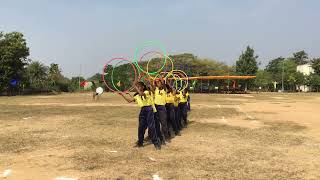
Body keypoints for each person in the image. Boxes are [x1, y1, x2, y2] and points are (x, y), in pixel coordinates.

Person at [119, 82, 161, 150]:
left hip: (149, 109)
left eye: (139, 86)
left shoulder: (147, 92)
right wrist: (122, 95)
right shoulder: (136, 95)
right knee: (141, 128)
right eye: (137, 87)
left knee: (151, 127)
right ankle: (140, 143)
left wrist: (136, 87)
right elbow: (129, 101)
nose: (138, 88)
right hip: (143, 110)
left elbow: (142, 94)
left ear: (143, 87)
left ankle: (156, 143)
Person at [149, 77, 170, 144]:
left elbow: (163, 84)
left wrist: (161, 79)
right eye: (157, 83)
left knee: (164, 123)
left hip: (162, 108)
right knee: (156, 123)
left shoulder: (164, 89)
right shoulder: (156, 89)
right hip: (155, 107)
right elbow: (152, 87)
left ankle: (166, 137)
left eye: (159, 83)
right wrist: (150, 81)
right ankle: (159, 137)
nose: (158, 84)